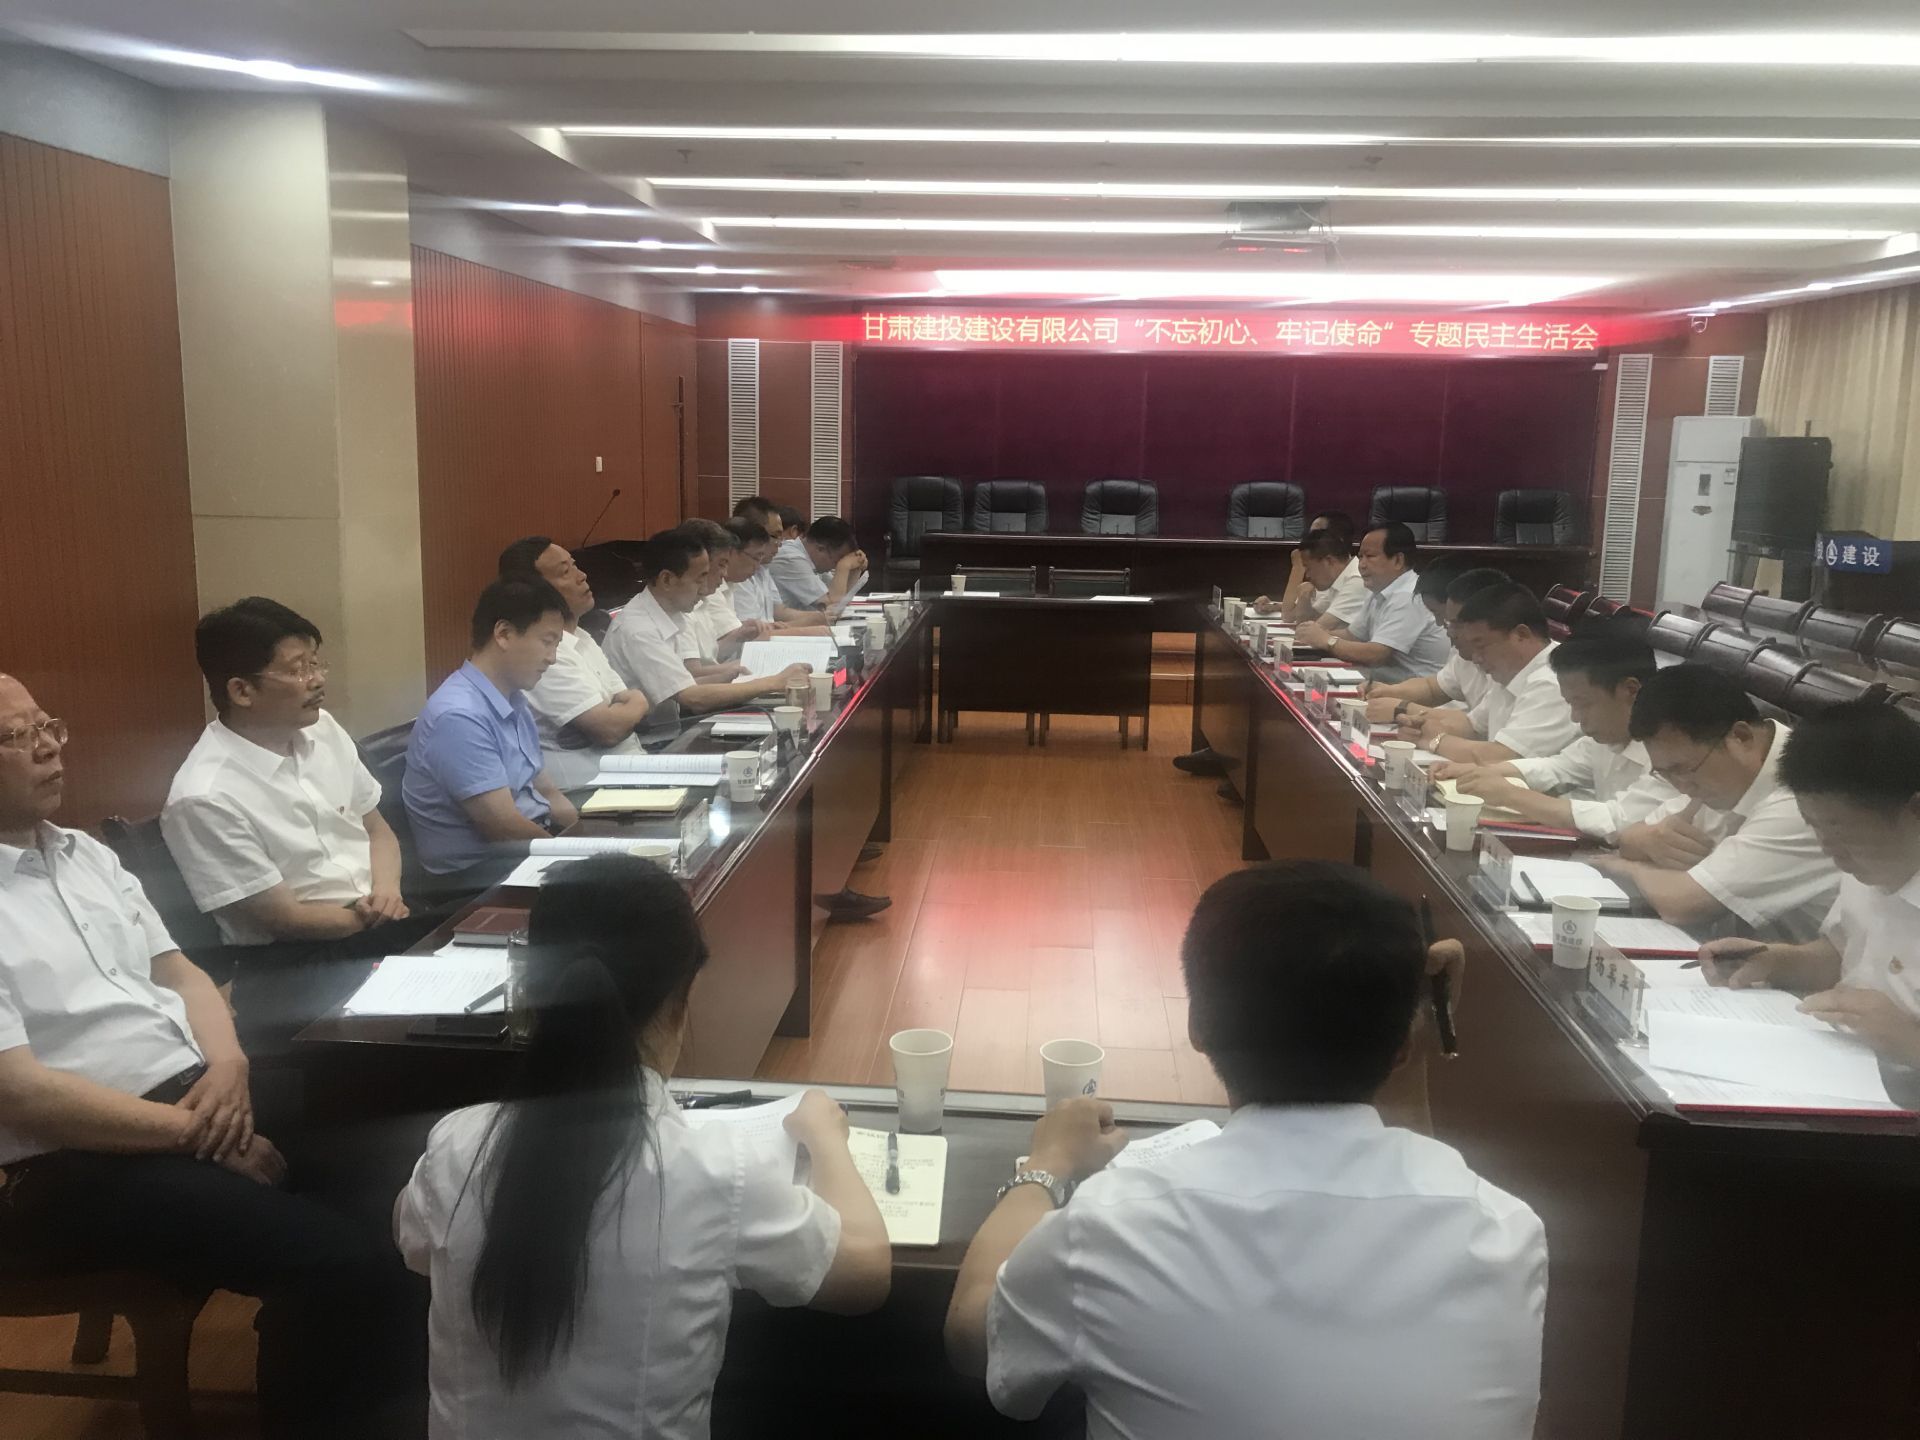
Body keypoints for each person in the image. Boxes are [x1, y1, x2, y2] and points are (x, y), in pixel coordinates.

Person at [944, 861, 1546, 1439]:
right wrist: (1416, 1033)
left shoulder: (1113, 1227)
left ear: (1197, 1025)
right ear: (1400, 1048)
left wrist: (1046, 1164)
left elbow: (974, 1338)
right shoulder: (1506, 1232)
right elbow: (1424, 1178)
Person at [0, 672, 415, 1438]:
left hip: (197, 1094)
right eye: (15, 738)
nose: (49, 748)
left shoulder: (83, 854)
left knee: (402, 1161)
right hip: (64, 1164)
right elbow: (21, 1094)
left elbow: (181, 974)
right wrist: (202, 1136)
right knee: (344, 1265)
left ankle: (347, 1381)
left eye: (47, 725)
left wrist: (230, 1068)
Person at [395, 854, 891, 1437]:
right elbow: (864, 1273)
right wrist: (826, 1137)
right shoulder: (715, 1169)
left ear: (528, 989)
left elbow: (415, 1246)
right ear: (681, 999)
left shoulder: (457, 1144)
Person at [163, 599, 444, 1044]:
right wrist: (379, 920)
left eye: (315, 663)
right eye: (297, 670)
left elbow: (377, 829)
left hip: (380, 918)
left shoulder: (322, 728)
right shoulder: (204, 795)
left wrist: (388, 893)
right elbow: (284, 919)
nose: (316, 680)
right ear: (241, 691)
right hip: (294, 962)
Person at [1694, 699, 1920, 1073]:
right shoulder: (1864, 870)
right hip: (1839, 1065)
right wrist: (1778, 961)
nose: (1829, 850)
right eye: (1815, 827)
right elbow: (1843, 952)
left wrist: (1911, 1043)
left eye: (1845, 832)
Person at [1593, 665, 1838, 939]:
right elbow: (1629, 837)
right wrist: (1648, 840)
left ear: (1741, 737)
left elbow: (1684, 903)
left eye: (1683, 770)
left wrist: (1630, 868)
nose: (1682, 787)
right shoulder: (1719, 773)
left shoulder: (1804, 796)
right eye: (1665, 773)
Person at [404, 578, 580, 888]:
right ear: (504, 634)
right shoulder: (459, 716)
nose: (552, 658)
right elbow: (502, 827)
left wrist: (590, 838)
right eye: (547, 641)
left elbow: (547, 791)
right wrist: (575, 858)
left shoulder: (512, 698)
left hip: (526, 849)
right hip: (478, 876)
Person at [1432, 622, 1678, 841]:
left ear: (1630, 690)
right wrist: (1482, 772)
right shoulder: (1608, 736)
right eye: (1571, 705)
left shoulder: (1674, 750)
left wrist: (1511, 795)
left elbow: (1619, 820)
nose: (1575, 718)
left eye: (1583, 704)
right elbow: (1558, 767)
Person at [602, 528, 813, 720]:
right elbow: (692, 698)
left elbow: (684, 683)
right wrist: (773, 682)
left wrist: (726, 675)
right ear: (667, 580)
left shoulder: (672, 611)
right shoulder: (639, 629)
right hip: (653, 737)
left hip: (674, 723)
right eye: (699, 579)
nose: (704, 589)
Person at [497, 536, 654, 790]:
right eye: (565, 572)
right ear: (535, 590)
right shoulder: (544, 654)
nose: (582, 576)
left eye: (575, 565)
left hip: (632, 770)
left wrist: (631, 703)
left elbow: (627, 699)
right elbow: (609, 729)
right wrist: (634, 703)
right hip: (592, 790)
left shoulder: (581, 637)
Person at [1416, 582, 1579, 764]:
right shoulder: (1511, 671)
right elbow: (1473, 726)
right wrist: (1422, 728)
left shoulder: (1553, 683)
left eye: (1481, 646)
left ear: (1521, 635)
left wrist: (1434, 740)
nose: (1476, 658)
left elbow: (1501, 757)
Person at [1293, 522, 1452, 683]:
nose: (1361, 565)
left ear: (1398, 560)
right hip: (1386, 683)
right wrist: (1315, 633)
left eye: (1369, 557)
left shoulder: (1409, 595)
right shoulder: (1378, 590)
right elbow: (1353, 636)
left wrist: (1327, 640)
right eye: (1360, 556)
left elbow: (1377, 654)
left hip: (1418, 690)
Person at [1363, 566, 1507, 735]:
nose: (1446, 629)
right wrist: (1389, 692)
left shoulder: (1511, 666)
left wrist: (1402, 708)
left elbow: (1475, 725)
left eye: (1455, 623)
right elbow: (1432, 688)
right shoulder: (1464, 653)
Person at [674, 519, 774, 679]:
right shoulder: (679, 607)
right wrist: (745, 665)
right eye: (721, 564)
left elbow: (710, 658)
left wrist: (739, 635)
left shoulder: (701, 600)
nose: (725, 573)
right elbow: (691, 675)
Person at [723, 518, 831, 634]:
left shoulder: (762, 569)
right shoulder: (738, 578)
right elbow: (749, 634)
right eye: (775, 536)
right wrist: (805, 626)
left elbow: (778, 611)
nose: (780, 544)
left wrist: (816, 618)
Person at [1253, 510, 1358, 619]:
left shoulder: (1352, 578)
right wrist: (1274, 606)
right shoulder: (1333, 573)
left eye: (1317, 535)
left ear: (1338, 540)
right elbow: (1308, 613)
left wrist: (1298, 567)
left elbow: (1290, 615)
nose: (1310, 540)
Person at [767, 515, 868, 611]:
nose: (835, 566)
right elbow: (832, 606)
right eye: (837, 561)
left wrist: (855, 568)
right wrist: (843, 567)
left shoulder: (812, 560)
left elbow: (841, 597)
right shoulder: (791, 558)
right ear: (821, 549)